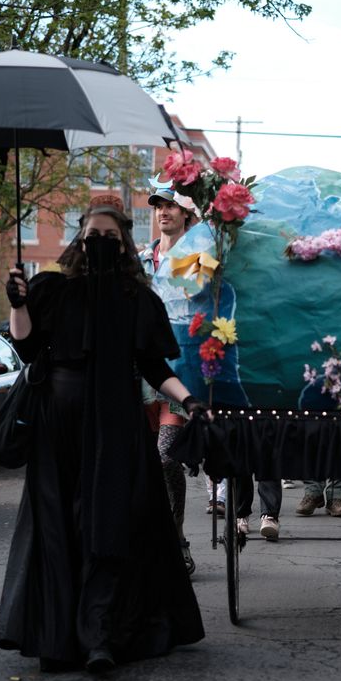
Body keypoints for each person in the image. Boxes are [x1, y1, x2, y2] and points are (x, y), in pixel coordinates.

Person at [0, 196, 206, 675]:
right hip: (58, 429)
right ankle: (57, 636)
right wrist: (18, 304)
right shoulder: (51, 288)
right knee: (58, 529)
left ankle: (100, 637)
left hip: (116, 426)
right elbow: (27, 347)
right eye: (93, 236)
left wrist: (188, 400)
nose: (101, 244)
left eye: (111, 238)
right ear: (80, 238)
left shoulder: (138, 300)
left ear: (125, 242)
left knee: (109, 526)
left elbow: (154, 366)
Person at [140, 186, 204, 574]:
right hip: (139, 374)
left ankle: (177, 540)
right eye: (159, 207)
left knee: (166, 459)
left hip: (177, 372)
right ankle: (146, 543)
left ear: (185, 214)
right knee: (140, 464)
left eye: (171, 206)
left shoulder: (197, 256)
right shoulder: (139, 259)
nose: (164, 212)